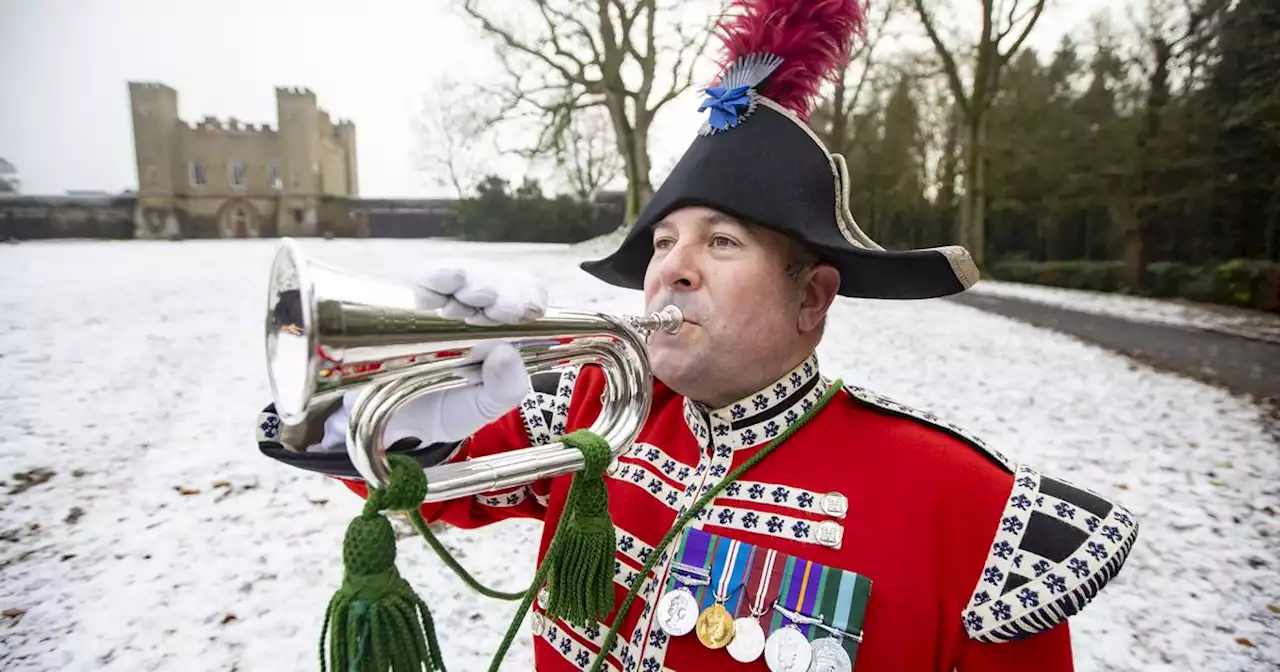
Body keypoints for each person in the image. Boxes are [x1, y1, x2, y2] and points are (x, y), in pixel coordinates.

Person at [256, 0, 1139, 670]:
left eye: (721, 242)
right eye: (664, 242)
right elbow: (419, 490)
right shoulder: (597, 405)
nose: (670, 270)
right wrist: (415, 399)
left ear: (813, 296)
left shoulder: (966, 509)